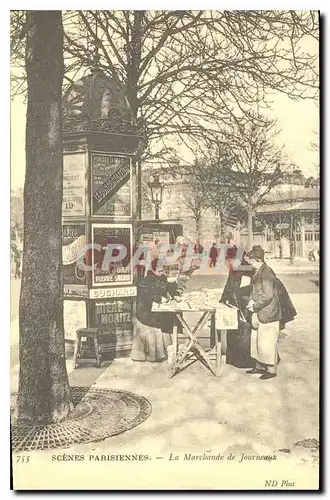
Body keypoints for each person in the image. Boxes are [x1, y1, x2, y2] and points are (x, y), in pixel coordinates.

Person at [245, 245, 296, 380]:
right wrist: (251, 301)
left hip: (268, 313)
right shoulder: (259, 271)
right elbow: (254, 290)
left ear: (256, 259)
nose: (249, 263)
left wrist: (255, 306)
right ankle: (259, 366)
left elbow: (268, 295)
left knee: (267, 342)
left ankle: (271, 370)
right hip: (260, 312)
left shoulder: (266, 273)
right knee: (256, 340)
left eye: (250, 261)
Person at [220, 249, 254, 368]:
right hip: (235, 305)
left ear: (234, 259)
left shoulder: (246, 269)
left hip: (244, 306)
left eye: (229, 261)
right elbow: (229, 284)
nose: (227, 264)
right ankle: (233, 358)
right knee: (233, 330)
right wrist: (223, 298)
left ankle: (243, 360)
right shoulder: (235, 268)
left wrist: (234, 299)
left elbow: (245, 290)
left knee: (243, 332)